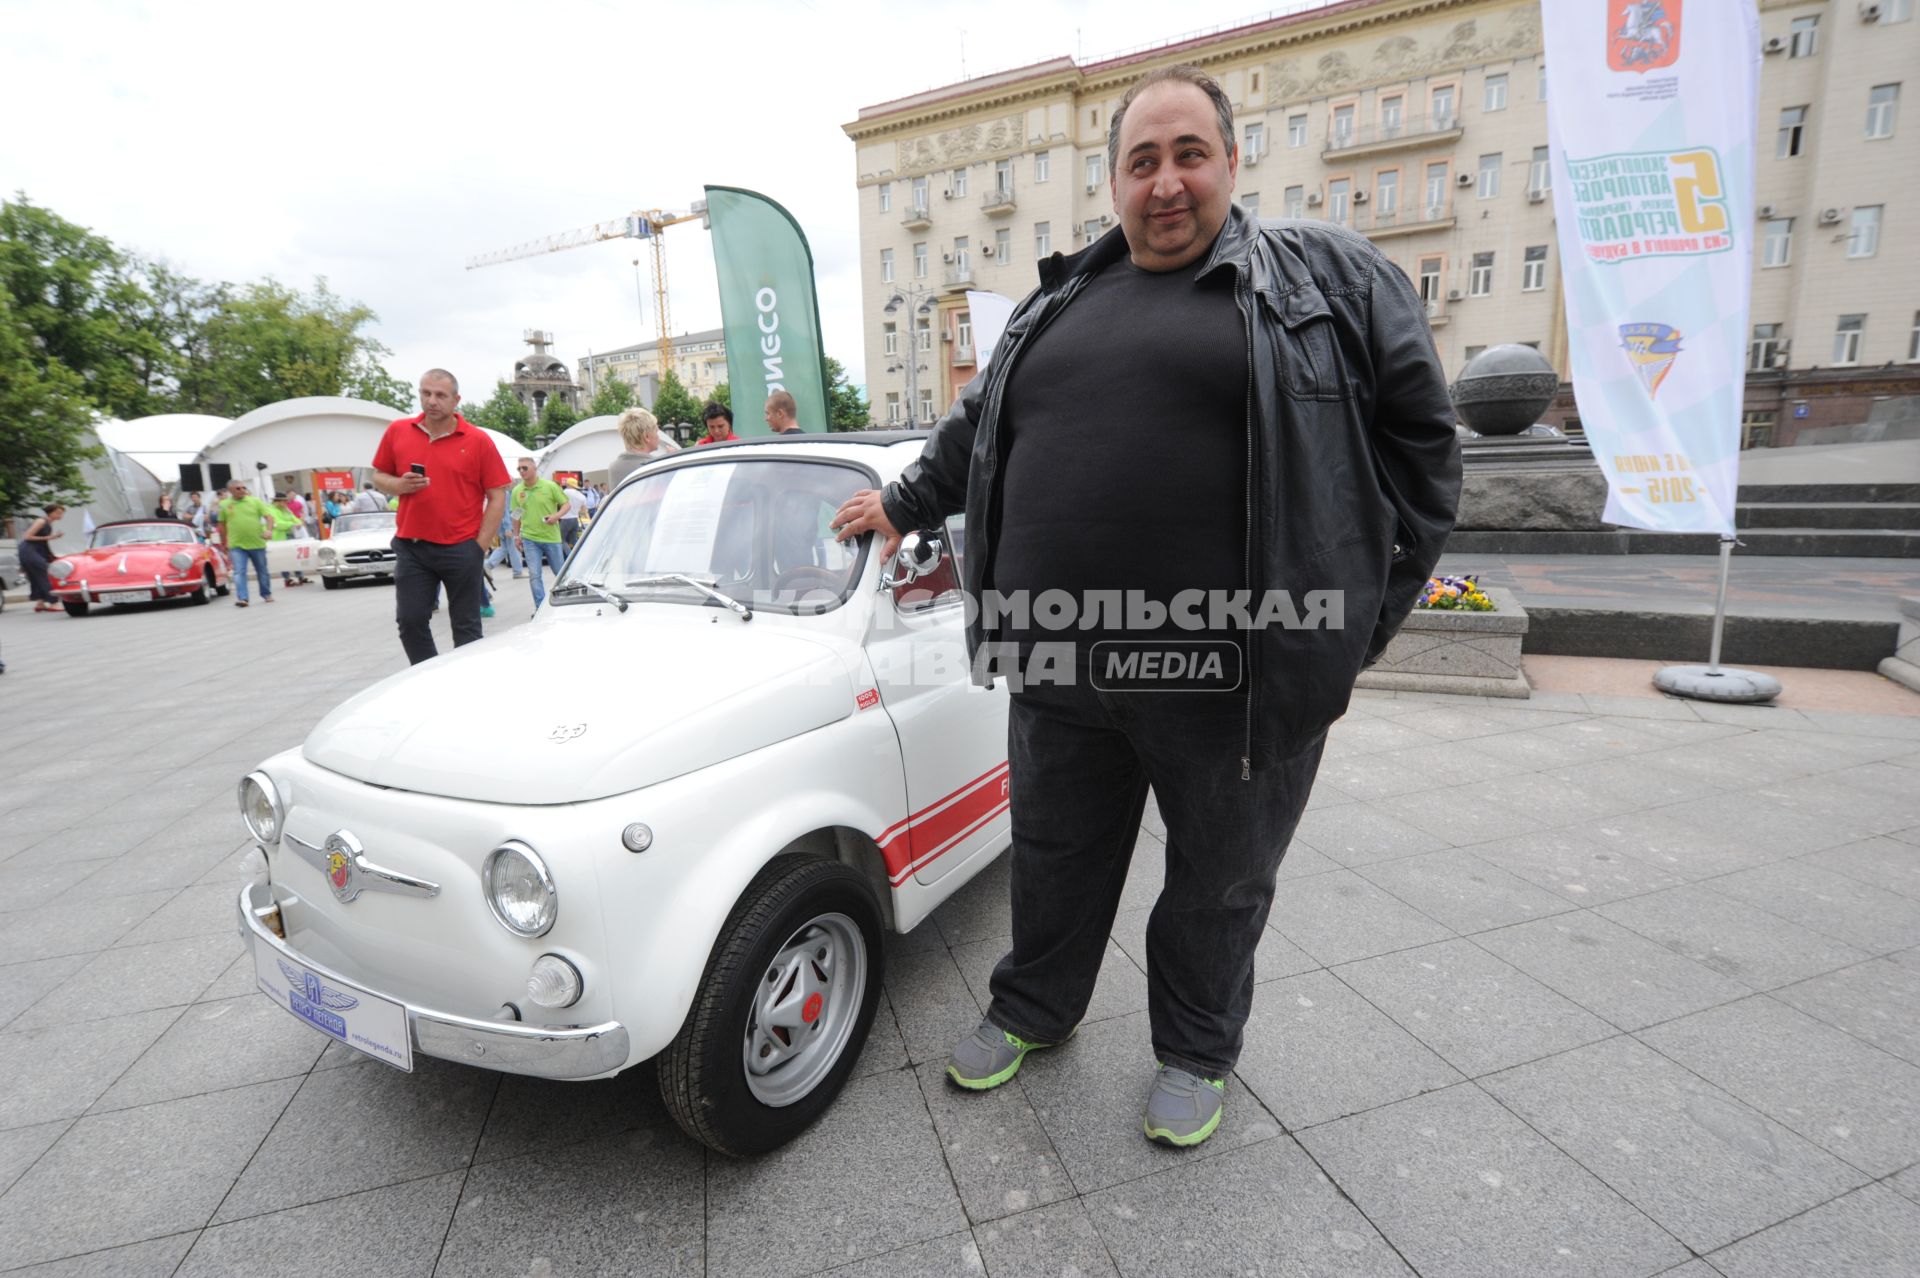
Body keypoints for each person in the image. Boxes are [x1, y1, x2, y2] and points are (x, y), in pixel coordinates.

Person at [831, 65, 1459, 1148]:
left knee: (1217, 882)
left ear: (1228, 160)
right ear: (1114, 179)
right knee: (1056, 858)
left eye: (1188, 156)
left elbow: (1424, 459)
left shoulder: (1332, 281)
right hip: (1059, 669)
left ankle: (1196, 1050)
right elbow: (976, 427)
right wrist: (901, 501)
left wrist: (1358, 624)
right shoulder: (1060, 297)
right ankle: (1035, 1006)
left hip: (1237, 680)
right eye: (1142, 162)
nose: (1166, 184)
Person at [370, 369, 511, 664]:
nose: (431, 401)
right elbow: (379, 476)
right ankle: (428, 679)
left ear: (456, 399)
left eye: (440, 395)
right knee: (410, 622)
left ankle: (466, 686)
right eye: (425, 393)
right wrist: (398, 485)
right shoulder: (398, 431)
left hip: (461, 548)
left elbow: (497, 495)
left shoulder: (477, 440)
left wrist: (478, 546)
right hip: (412, 546)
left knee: (467, 628)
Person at [510, 457, 569, 612]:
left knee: (559, 573)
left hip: (551, 537)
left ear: (534, 469)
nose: (521, 471)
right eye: (519, 469)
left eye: (524, 468)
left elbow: (566, 504)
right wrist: (516, 536)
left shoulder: (550, 486)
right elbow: (516, 515)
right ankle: (541, 609)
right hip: (530, 539)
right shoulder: (518, 491)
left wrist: (556, 516)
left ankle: (565, 604)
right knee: (534, 575)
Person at [217, 480, 276, 607]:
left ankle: (266, 593)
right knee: (239, 572)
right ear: (231, 491)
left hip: (257, 543)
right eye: (238, 488)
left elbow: (269, 517)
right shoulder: (224, 505)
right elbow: (221, 525)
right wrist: (224, 542)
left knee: (262, 570)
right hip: (237, 545)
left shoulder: (255, 501)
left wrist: (269, 530)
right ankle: (243, 598)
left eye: (244, 487)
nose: (242, 490)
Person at [608, 407, 680, 487]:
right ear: (646, 437)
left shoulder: (614, 467)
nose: (658, 436)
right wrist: (674, 462)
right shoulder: (654, 467)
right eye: (656, 431)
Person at [17, 504, 64, 612]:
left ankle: (40, 603)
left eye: (61, 513)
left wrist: (50, 554)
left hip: (34, 551)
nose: (60, 515)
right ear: (50, 512)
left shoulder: (48, 523)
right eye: (58, 512)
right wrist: (50, 537)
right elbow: (27, 536)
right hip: (29, 551)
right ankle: (53, 602)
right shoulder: (41, 521)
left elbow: (42, 542)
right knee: (45, 574)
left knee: (36, 576)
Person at [269, 493, 310, 586]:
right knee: (283, 558)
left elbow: (294, 518)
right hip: (280, 537)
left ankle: (300, 576)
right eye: (284, 501)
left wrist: (299, 523)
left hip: (292, 535)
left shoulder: (285, 509)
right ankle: (287, 579)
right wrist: (291, 524)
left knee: (295, 557)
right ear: (277, 501)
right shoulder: (271, 510)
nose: (286, 502)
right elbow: (278, 524)